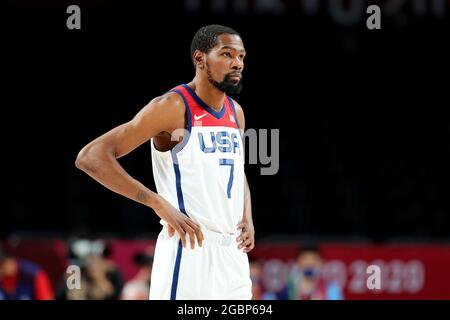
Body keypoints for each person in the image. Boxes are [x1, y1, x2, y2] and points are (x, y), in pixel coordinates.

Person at [75, 24, 254, 300]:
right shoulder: (172, 107)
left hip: (234, 258)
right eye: (227, 54)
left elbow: (235, 171)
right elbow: (91, 156)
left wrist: (247, 216)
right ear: (200, 59)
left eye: (241, 57)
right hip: (190, 251)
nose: (237, 63)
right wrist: (156, 202)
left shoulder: (236, 113)